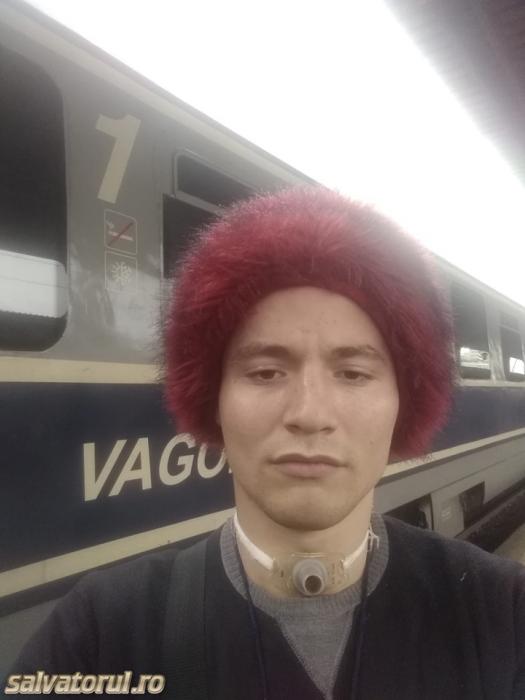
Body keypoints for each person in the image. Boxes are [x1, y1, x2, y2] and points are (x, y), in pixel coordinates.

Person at [5, 187, 525, 699]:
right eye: (266, 372)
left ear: (402, 403)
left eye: (353, 373)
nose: (309, 414)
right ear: (214, 401)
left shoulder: (505, 608)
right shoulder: (95, 636)